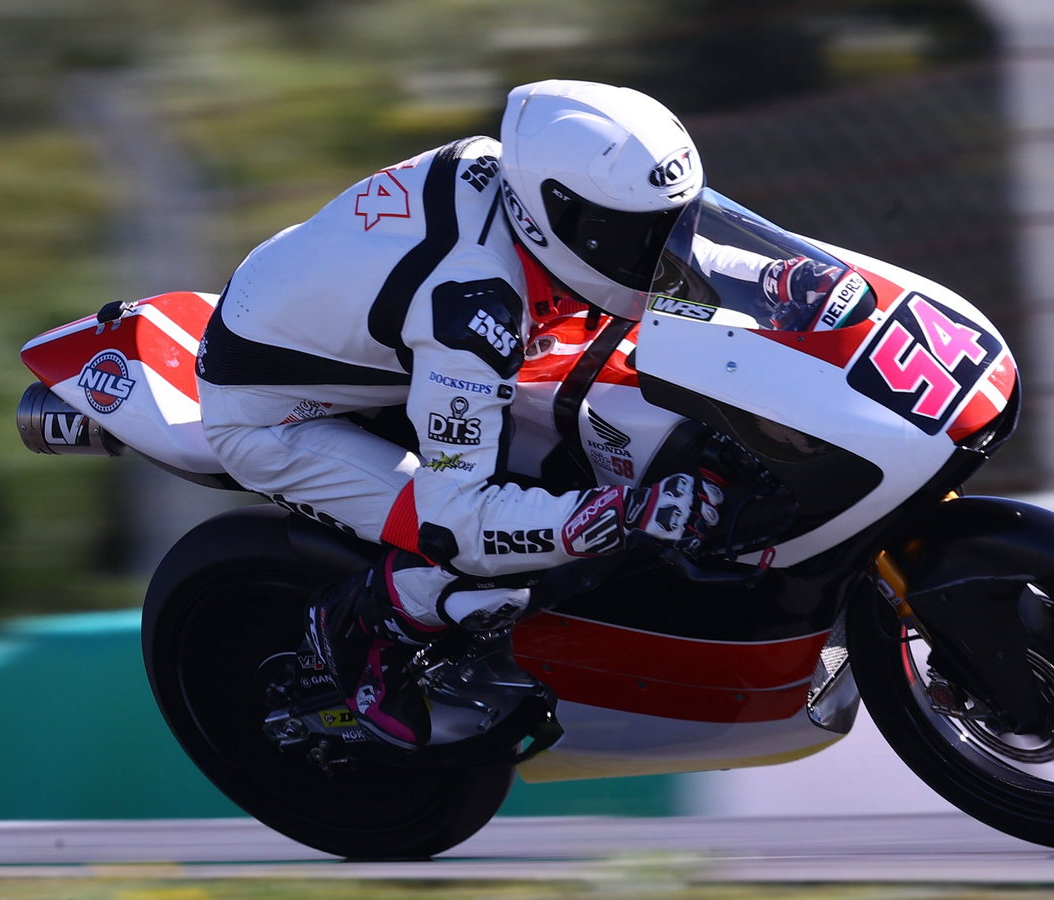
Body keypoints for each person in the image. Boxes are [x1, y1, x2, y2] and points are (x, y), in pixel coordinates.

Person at [195, 80, 846, 751]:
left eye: (670, 223)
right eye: (633, 235)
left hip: (369, 340)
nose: (659, 250)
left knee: (640, 422)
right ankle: (370, 628)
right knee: (480, 558)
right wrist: (626, 513)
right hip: (283, 417)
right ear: (554, 214)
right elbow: (459, 517)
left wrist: (772, 278)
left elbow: (672, 243)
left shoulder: (533, 189)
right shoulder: (469, 309)